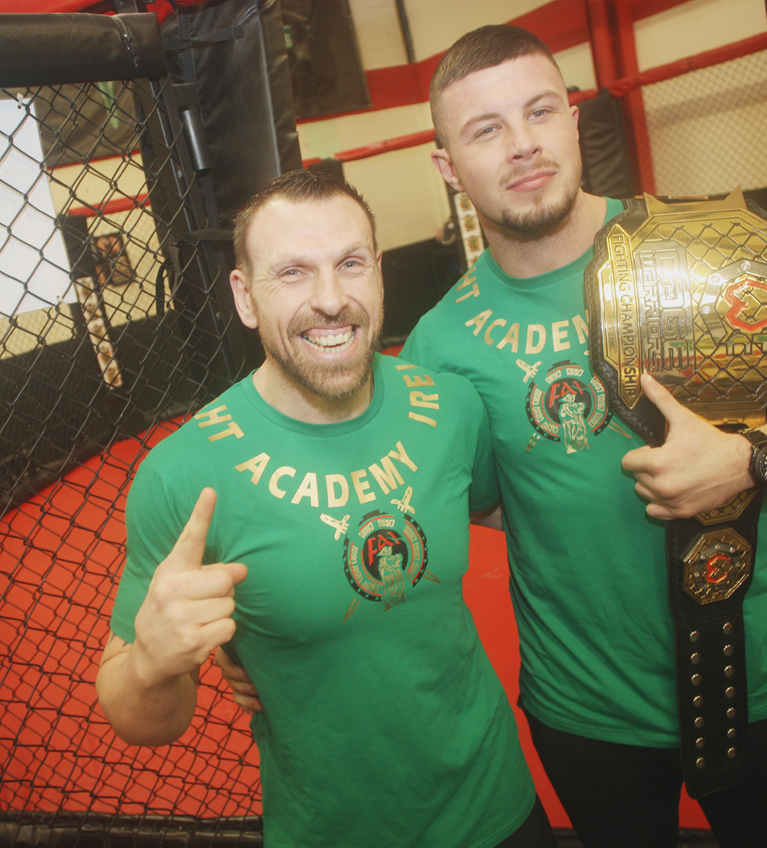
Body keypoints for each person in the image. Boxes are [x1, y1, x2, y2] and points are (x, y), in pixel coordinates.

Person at [220, 25, 767, 848]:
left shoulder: (697, 251)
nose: (522, 146)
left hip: (760, 676)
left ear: (574, 120)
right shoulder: (441, 342)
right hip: (586, 713)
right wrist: (261, 633)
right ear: (447, 166)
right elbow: (420, 502)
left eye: (539, 111)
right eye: (485, 130)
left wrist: (751, 458)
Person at [95, 169, 556, 848]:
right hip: (331, 829)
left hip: (498, 804)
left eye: (350, 264)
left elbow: (512, 513)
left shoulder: (452, 406)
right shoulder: (182, 474)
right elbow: (143, 722)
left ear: (379, 272)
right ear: (246, 298)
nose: (331, 299)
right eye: (293, 274)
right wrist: (153, 665)